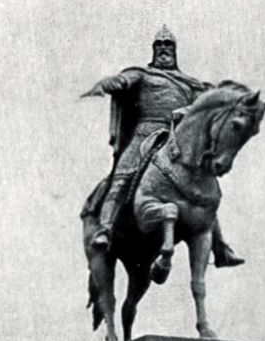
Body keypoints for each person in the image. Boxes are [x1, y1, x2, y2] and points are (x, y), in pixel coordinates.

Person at [81, 26, 244, 267]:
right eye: (160, 46)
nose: (164, 50)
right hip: (143, 135)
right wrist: (112, 83)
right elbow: (125, 81)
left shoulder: (189, 83)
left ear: (175, 52)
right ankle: (105, 229)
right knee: (122, 176)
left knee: (204, 186)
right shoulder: (144, 75)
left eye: (169, 46)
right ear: (154, 50)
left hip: (176, 137)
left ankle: (220, 247)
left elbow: (203, 105)